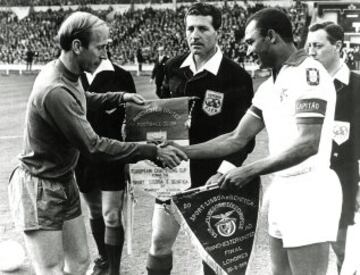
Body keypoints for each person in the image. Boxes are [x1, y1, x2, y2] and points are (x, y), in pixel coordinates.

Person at [7, 11, 187, 275]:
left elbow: (83, 97)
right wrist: (151, 151)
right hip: (40, 186)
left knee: (80, 263)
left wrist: (120, 97)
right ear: (77, 46)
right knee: (51, 269)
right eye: (100, 47)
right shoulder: (54, 89)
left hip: (63, 179)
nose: (104, 55)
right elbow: (95, 146)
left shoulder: (65, 72)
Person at [172, 8, 343, 275]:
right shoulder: (268, 86)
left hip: (309, 189)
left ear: (271, 36)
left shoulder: (311, 75)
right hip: (282, 187)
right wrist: (182, 151)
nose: (249, 50)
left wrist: (249, 170)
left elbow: (308, 144)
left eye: (252, 41)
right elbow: (236, 138)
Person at [146, 3, 259, 275]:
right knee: (159, 243)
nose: (194, 35)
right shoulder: (172, 67)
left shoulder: (236, 76)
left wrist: (223, 173)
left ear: (217, 32)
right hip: (173, 173)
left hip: (213, 177)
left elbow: (244, 138)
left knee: (213, 254)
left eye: (202, 29)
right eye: (190, 28)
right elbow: (161, 120)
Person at [75, 53, 137, 275]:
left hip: (112, 155)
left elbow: (133, 120)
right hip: (81, 157)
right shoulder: (74, 74)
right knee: (94, 211)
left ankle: (115, 269)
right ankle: (103, 258)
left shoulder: (120, 76)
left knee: (111, 214)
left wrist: (130, 159)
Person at [307, 21, 360, 274]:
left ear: (338, 46)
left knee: (345, 253)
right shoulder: (306, 86)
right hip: (309, 179)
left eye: (317, 45)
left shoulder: (357, 86)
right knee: (307, 250)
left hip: (346, 181)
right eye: (308, 46)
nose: (311, 52)